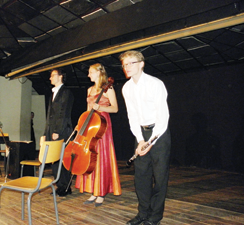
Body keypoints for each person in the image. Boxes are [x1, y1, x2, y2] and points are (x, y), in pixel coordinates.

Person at [120, 50, 171, 225]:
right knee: (141, 176)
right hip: (141, 134)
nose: (127, 67)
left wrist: (150, 141)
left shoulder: (155, 84)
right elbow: (132, 116)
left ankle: (155, 217)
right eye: (125, 64)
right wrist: (141, 140)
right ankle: (142, 213)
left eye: (131, 63)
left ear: (141, 64)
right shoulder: (126, 88)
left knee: (160, 177)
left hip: (159, 134)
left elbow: (162, 118)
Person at [75, 63, 122, 207]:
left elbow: (115, 109)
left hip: (102, 125)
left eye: (90, 72)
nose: (88, 75)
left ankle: (101, 192)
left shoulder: (109, 88)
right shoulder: (89, 89)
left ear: (99, 72)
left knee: (101, 156)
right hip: (91, 125)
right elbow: (87, 110)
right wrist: (81, 124)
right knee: (90, 157)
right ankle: (93, 190)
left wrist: (100, 107)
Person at [41, 68, 74, 196]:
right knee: (54, 159)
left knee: (62, 159)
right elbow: (49, 115)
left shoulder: (66, 92)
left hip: (61, 131)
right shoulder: (52, 93)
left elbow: (64, 113)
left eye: (53, 75)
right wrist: (45, 133)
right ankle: (59, 185)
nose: (50, 78)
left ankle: (66, 187)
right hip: (52, 130)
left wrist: (57, 131)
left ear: (60, 76)